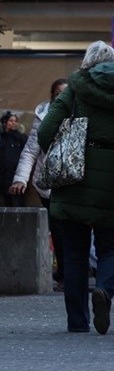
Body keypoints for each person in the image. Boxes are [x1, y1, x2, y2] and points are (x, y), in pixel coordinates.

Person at [38, 41, 114, 334]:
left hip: (74, 178)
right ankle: (104, 290)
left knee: (74, 253)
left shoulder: (75, 88)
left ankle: (77, 322)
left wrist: (65, 147)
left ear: (87, 63)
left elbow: (45, 130)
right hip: (113, 180)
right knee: (111, 247)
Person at [9, 78, 69, 286]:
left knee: (73, 230)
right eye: (59, 92)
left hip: (73, 184)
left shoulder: (80, 115)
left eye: (66, 92)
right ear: (52, 96)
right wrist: (20, 179)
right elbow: (30, 152)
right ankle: (65, 273)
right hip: (49, 187)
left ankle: (74, 270)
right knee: (59, 232)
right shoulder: (42, 117)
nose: (62, 96)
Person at [1, 111, 28, 206]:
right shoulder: (2, 138)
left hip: (16, 178)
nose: (14, 123)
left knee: (18, 204)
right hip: (3, 179)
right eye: (11, 120)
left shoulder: (21, 138)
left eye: (15, 121)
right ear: (5, 123)